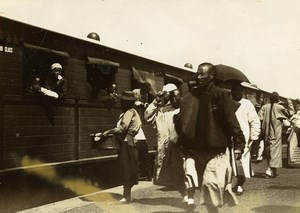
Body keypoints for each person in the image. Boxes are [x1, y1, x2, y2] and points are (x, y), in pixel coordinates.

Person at [176, 62, 245, 213]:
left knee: (210, 184)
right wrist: (182, 145)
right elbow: (183, 122)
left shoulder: (220, 95)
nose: (198, 77)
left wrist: (239, 144)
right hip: (196, 149)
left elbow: (231, 120)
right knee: (203, 186)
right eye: (197, 74)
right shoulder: (191, 96)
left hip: (215, 149)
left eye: (202, 74)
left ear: (211, 76)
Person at [94, 91, 142, 203]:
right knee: (126, 168)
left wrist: (107, 132)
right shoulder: (128, 112)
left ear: (127, 102)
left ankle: (127, 196)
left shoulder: (129, 112)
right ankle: (126, 195)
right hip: (127, 143)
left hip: (127, 143)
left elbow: (122, 128)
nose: (120, 102)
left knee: (127, 169)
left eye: (122, 101)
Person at [144, 83, 186, 200]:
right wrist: (155, 101)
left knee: (180, 168)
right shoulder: (161, 111)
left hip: (177, 145)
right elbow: (147, 117)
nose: (167, 98)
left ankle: (185, 192)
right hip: (164, 145)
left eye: (169, 95)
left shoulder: (180, 109)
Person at [231, 82, 261, 195]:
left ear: (242, 93)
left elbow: (254, 120)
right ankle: (230, 184)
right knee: (231, 160)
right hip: (230, 135)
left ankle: (239, 184)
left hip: (243, 136)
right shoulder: (229, 103)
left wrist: (254, 136)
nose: (235, 93)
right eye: (233, 91)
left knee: (241, 160)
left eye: (238, 91)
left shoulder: (247, 104)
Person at [258, 92, 290, 178]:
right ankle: (269, 170)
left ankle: (274, 170)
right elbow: (290, 113)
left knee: (268, 150)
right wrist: (289, 102)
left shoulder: (264, 107)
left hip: (266, 132)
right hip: (276, 132)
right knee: (274, 151)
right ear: (278, 99)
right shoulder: (280, 107)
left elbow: (259, 118)